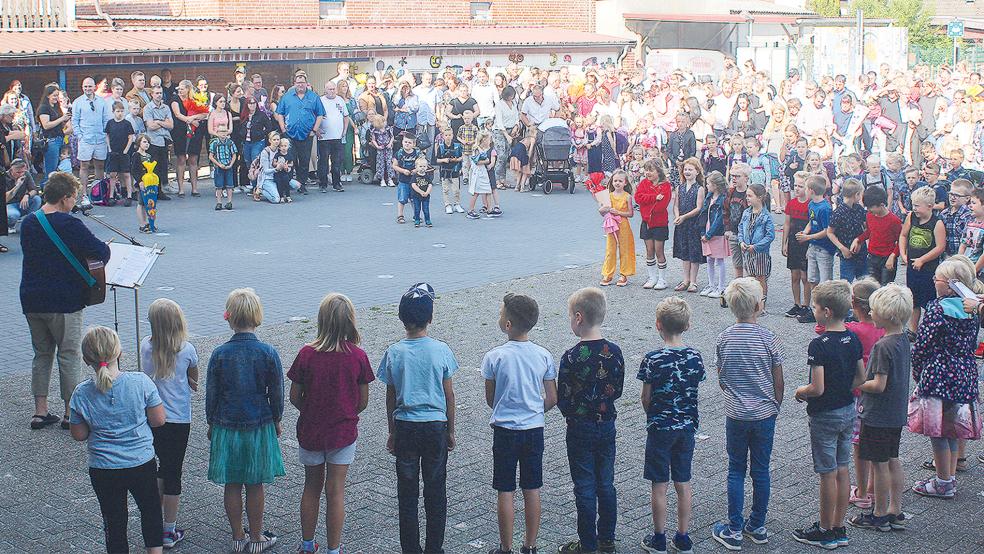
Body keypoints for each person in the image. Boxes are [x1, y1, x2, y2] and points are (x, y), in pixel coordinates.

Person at [20, 172, 111, 429]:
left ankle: (40, 411)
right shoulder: (69, 224)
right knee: (68, 354)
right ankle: (71, 413)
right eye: (73, 197)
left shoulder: (29, 223)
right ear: (64, 198)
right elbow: (101, 252)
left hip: (32, 298)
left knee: (42, 354)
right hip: (63, 300)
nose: (75, 202)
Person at [288, 293, 374, 554]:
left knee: (311, 487)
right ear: (350, 321)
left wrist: (313, 410)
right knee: (335, 491)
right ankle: (333, 549)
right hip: (343, 432)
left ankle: (306, 544)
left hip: (311, 431)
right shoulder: (357, 356)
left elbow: (294, 397)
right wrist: (344, 411)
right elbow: (362, 401)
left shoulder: (306, 354)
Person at [377, 283, 458, 554]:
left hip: (406, 425)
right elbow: (449, 396)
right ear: (430, 318)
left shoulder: (394, 352)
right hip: (435, 425)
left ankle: (410, 548)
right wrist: (451, 430)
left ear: (402, 319)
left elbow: (390, 397)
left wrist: (392, 430)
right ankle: (434, 548)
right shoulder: (442, 350)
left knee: (407, 493)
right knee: (436, 490)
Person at [69, 326, 166, 554]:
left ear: (85, 359)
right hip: (141, 462)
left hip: (104, 468)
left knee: (114, 521)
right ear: (120, 353)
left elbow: (79, 435)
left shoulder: (81, 393)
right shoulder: (140, 382)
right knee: (150, 510)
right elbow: (159, 420)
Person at [206, 288, 285, 553]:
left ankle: (238, 536)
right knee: (255, 482)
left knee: (232, 481)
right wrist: (277, 418)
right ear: (257, 316)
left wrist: (210, 421)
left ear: (229, 318)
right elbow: (276, 391)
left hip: (226, 423)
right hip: (258, 422)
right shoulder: (268, 352)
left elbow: (212, 393)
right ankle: (257, 537)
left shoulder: (219, 354)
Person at [711, 278, 784, 551]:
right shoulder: (769, 338)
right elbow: (778, 378)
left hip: (736, 414)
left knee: (735, 470)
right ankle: (758, 524)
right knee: (761, 470)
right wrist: (776, 404)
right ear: (757, 305)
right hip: (764, 414)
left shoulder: (724, 337)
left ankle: (733, 527)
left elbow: (722, 377)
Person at [792, 280, 865, 549]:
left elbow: (817, 387)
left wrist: (801, 391)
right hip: (848, 410)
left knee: (827, 473)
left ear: (825, 311)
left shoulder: (818, 344)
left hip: (825, 414)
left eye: (813, 305)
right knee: (842, 467)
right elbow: (861, 378)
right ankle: (839, 526)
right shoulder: (853, 337)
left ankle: (824, 529)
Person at [482, 293, 557, 554]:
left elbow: (491, 398)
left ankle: (505, 547)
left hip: (504, 429)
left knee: (505, 489)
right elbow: (552, 397)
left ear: (508, 325)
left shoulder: (494, 357)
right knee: (532, 486)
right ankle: (531, 544)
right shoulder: (543, 355)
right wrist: (536, 410)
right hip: (534, 429)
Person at [555, 287, 623, 554]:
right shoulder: (614, 352)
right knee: (606, 482)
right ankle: (607, 537)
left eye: (570, 316)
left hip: (579, 427)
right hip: (607, 424)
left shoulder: (571, 357)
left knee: (584, 485)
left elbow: (563, 396)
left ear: (579, 318)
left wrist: (573, 413)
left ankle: (587, 542)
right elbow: (616, 389)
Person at [910, 259, 981, 499]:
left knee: (938, 432)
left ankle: (943, 481)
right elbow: (971, 343)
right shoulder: (972, 309)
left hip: (939, 373)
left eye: (937, 279)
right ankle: (948, 476)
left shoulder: (936, 309)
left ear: (951, 285)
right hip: (965, 372)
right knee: (952, 429)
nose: (933, 282)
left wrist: (918, 371)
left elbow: (923, 344)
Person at [638, 297, 703, 554]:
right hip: (686, 427)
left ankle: (659, 537)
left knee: (659, 484)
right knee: (683, 481)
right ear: (687, 325)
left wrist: (653, 414)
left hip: (660, 427)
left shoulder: (652, 359)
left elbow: (645, 397)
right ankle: (683, 536)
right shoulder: (695, 357)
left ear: (658, 325)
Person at [848, 284, 912, 531]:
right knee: (893, 459)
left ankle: (879, 513)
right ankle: (895, 509)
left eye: (874, 310)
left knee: (879, 463)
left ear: (887, 315)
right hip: (895, 413)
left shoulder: (883, 346)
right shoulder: (903, 338)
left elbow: (879, 384)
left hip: (878, 414)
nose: (871, 313)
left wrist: (857, 382)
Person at [141, 299, 199, 548]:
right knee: (173, 471)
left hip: (151, 417)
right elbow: (194, 379)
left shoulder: (145, 345)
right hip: (178, 419)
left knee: (156, 470)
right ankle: (169, 530)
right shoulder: (186, 349)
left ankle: (153, 522)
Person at [899, 186, 946, 333]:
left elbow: (940, 247)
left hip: (928, 268)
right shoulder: (911, 217)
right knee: (913, 298)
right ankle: (913, 329)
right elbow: (903, 235)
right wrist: (903, 253)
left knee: (929, 300)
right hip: (912, 266)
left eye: (917, 206)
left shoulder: (936, 223)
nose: (914, 208)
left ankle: (929, 328)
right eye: (913, 205)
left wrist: (923, 260)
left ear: (930, 206)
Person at [275, 73, 325, 194]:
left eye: (302, 82)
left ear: (306, 83)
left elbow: (320, 114)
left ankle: (301, 185)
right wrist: (283, 129)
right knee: (290, 159)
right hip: (290, 134)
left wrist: (314, 130)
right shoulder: (287, 97)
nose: (300, 85)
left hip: (307, 134)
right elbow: (279, 113)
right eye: (298, 83)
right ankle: (288, 184)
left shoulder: (313, 97)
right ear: (294, 84)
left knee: (304, 160)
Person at [795, 176, 835, 323]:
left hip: (824, 249)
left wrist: (808, 237)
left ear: (811, 190)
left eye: (805, 187)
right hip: (813, 247)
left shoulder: (825, 208)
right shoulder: (811, 204)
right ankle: (815, 310)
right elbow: (811, 222)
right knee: (813, 279)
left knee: (825, 282)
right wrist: (805, 232)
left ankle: (827, 312)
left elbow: (827, 231)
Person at [737, 183, 776, 309]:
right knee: (751, 277)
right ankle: (753, 302)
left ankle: (762, 303)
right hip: (747, 250)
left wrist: (756, 246)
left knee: (760, 277)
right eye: (746, 196)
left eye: (750, 196)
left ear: (759, 197)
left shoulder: (766, 216)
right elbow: (740, 228)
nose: (747, 198)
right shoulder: (746, 213)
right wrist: (741, 241)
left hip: (760, 252)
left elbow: (770, 236)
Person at [635, 160, 672, 290]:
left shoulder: (665, 186)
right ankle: (652, 277)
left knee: (659, 251)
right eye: (646, 170)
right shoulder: (644, 183)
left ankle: (662, 279)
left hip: (659, 223)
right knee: (649, 250)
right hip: (646, 222)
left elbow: (661, 206)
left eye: (651, 170)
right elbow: (638, 198)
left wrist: (649, 201)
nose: (647, 173)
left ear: (658, 171)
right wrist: (654, 197)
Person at [854, 185, 901, 285]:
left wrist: (893, 256)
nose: (869, 210)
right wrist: (858, 239)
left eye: (871, 207)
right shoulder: (869, 215)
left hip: (887, 258)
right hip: (872, 256)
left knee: (885, 287)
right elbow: (870, 231)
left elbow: (901, 240)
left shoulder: (894, 220)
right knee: (872, 286)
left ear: (882, 204)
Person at [72, 77, 113, 189]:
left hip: (100, 139)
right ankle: (84, 193)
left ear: (94, 87)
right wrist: (80, 136)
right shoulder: (78, 102)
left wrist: (105, 134)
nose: (88, 88)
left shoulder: (101, 101)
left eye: (90, 86)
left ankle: (98, 191)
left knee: (100, 165)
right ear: (82, 87)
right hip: (85, 139)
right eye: (85, 86)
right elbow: (74, 121)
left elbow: (106, 119)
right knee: (84, 166)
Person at [672, 158, 706, 293]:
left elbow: (699, 208)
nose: (687, 172)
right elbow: (675, 206)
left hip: (693, 224)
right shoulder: (679, 187)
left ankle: (693, 281)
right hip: (681, 224)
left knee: (694, 253)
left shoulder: (700, 189)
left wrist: (684, 217)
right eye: (685, 169)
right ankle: (685, 280)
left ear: (697, 172)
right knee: (684, 253)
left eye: (690, 169)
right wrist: (677, 216)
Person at [599, 169, 635, 287]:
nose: (617, 183)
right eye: (615, 181)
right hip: (611, 225)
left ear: (625, 183)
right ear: (612, 182)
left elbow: (630, 213)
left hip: (623, 225)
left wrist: (618, 212)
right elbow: (602, 212)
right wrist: (605, 209)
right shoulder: (608, 196)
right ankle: (608, 273)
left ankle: (624, 274)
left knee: (625, 249)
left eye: (620, 181)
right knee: (610, 249)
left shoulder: (627, 196)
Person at [827, 179, 867, 282]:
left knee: (864, 282)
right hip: (846, 254)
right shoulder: (838, 213)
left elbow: (866, 228)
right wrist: (842, 248)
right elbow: (830, 232)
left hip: (861, 252)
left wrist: (860, 240)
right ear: (857, 194)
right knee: (846, 283)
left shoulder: (859, 209)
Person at [783, 172, 812, 317]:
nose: (797, 188)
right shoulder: (791, 204)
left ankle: (806, 305)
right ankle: (797, 303)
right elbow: (787, 224)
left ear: (808, 187)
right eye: (795, 185)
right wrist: (784, 243)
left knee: (805, 276)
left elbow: (813, 224)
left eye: (801, 186)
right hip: (793, 242)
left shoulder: (811, 204)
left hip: (805, 242)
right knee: (794, 275)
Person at [701, 171, 730, 298]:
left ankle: (721, 286)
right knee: (709, 259)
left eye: (708, 184)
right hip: (707, 228)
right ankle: (711, 284)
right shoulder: (709, 196)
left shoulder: (722, 199)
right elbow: (703, 213)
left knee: (719, 259)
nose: (707, 186)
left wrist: (709, 234)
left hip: (716, 232)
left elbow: (719, 220)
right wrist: (703, 231)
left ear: (715, 185)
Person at [317, 81, 350, 193]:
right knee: (323, 162)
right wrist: (317, 129)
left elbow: (346, 117)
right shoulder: (320, 100)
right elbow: (315, 116)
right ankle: (323, 184)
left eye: (333, 89)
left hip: (337, 137)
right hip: (324, 137)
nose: (332, 91)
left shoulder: (340, 100)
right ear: (325, 90)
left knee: (337, 161)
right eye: (329, 89)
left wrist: (344, 130)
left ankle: (337, 183)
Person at [36, 83, 71, 187]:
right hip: (51, 141)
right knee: (51, 171)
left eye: (57, 95)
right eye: (54, 95)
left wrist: (66, 121)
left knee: (60, 169)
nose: (56, 98)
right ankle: (45, 193)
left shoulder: (56, 107)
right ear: (48, 95)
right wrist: (62, 119)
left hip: (60, 139)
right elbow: (46, 125)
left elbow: (61, 122)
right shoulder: (43, 108)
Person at [142, 86, 173, 199]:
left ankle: (160, 191)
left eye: (160, 93)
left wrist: (158, 121)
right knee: (153, 168)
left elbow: (171, 125)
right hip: (153, 141)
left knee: (163, 167)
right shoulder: (148, 108)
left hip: (164, 141)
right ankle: (152, 191)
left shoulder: (166, 108)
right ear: (152, 95)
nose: (159, 95)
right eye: (156, 93)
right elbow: (150, 126)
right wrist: (164, 122)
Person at [105, 101, 135, 206]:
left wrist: (126, 150)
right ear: (113, 112)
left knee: (126, 174)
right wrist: (109, 148)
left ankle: (129, 195)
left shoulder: (127, 124)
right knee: (112, 174)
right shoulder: (110, 123)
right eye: (118, 111)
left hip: (124, 152)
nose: (120, 113)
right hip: (113, 152)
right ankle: (111, 196)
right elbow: (107, 135)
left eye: (122, 111)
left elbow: (130, 137)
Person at [725, 163, 751, 281]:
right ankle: (739, 289)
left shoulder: (751, 194)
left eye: (737, 176)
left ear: (746, 178)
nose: (734, 178)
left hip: (747, 235)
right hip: (734, 233)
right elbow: (725, 212)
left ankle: (750, 291)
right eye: (732, 176)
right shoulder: (730, 192)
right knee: (737, 264)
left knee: (749, 266)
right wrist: (727, 229)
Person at [4, 158, 41, 232]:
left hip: (21, 202)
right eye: (18, 172)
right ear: (12, 170)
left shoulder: (26, 174)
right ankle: (10, 225)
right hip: (8, 204)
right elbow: (5, 199)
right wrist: (17, 186)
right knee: (14, 215)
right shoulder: (4, 177)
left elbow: (34, 190)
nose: (21, 174)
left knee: (37, 199)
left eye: (22, 172)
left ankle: (29, 222)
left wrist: (27, 195)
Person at [208, 124, 238, 211]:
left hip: (228, 165)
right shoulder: (214, 143)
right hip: (219, 167)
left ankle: (229, 202)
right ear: (217, 132)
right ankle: (219, 202)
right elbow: (211, 156)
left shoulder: (230, 142)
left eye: (225, 131)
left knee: (229, 185)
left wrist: (231, 164)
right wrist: (218, 164)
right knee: (219, 186)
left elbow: (234, 155)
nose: (223, 133)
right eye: (221, 131)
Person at [392, 133, 420, 223]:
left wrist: (415, 170)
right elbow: (394, 166)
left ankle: (416, 215)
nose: (407, 144)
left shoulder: (417, 153)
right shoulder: (399, 153)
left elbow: (422, 164)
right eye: (405, 142)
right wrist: (403, 171)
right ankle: (400, 215)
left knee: (414, 198)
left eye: (409, 142)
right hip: (403, 180)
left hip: (414, 181)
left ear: (413, 144)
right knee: (402, 199)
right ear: (402, 142)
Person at [435, 126, 464, 215]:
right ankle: (447, 205)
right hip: (444, 171)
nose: (448, 136)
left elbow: (462, 157)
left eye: (449, 135)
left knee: (456, 190)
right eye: (446, 135)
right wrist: (444, 160)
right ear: (443, 136)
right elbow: (437, 160)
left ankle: (457, 204)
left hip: (455, 170)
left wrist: (457, 160)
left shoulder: (457, 146)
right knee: (446, 190)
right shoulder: (440, 147)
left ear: (452, 135)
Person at [410, 157, 434, 228]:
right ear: (416, 167)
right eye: (420, 166)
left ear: (426, 167)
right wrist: (420, 192)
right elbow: (413, 185)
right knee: (417, 209)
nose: (422, 168)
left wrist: (427, 192)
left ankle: (428, 220)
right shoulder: (415, 176)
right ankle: (417, 220)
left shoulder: (427, 176)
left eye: (424, 166)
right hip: (416, 196)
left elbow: (430, 184)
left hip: (426, 196)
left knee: (426, 209)